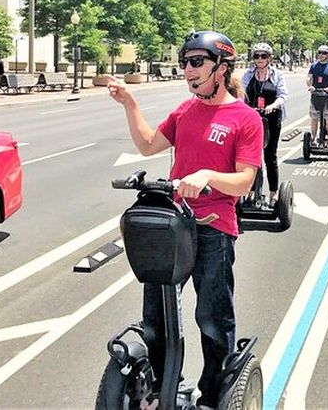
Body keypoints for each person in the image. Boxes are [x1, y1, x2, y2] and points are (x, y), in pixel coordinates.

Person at [107, 31, 263, 409]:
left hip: (214, 229)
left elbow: (245, 181)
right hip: (174, 227)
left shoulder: (245, 118)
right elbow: (148, 144)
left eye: (196, 62)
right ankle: (164, 389)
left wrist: (207, 176)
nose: (188, 70)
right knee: (156, 318)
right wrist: (130, 103)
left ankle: (212, 394)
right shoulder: (185, 111)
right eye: (185, 63)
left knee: (212, 319)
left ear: (221, 68)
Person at [241, 42, 288, 206]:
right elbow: (241, 94)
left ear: (269, 58)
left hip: (271, 119)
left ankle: (274, 192)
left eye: (263, 56)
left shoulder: (277, 75)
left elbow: (283, 95)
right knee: (251, 157)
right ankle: (252, 191)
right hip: (252, 120)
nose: (259, 59)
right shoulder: (248, 74)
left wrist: (273, 106)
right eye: (256, 56)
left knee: (270, 156)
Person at [306, 45, 328, 147]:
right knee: (314, 117)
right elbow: (309, 78)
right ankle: (314, 139)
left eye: (324, 53)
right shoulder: (314, 65)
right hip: (316, 95)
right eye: (320, 52)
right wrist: (310, 86)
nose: (321, 55)